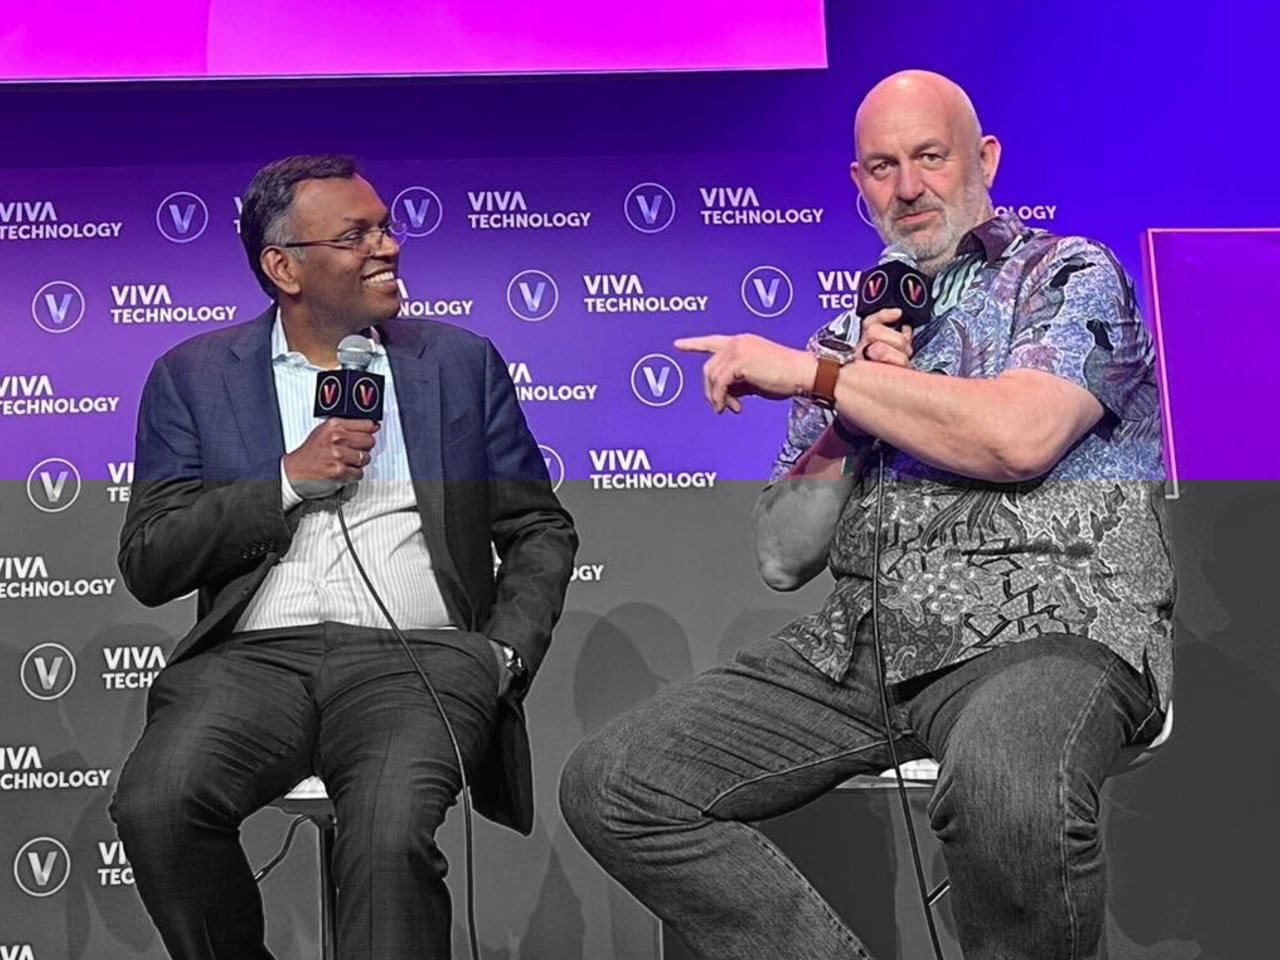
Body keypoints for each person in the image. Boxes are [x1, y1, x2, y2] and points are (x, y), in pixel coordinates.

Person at [559, 70, 1174, 960]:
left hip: (1050, 628)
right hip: (864, 648)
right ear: (859, 186)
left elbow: (1021, 438)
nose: (908, 186)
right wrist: (850, 408)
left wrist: (824, 378)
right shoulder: (851, 336)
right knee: (615, 784)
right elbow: (781, 554)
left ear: (985, 160)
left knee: (1006, 781)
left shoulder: (1068, 275)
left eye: (930, 156)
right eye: (883, 167)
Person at [111, 154, 577, 960]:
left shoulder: (457, 365)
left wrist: (502, 654)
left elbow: (539, 527)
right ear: (283, 267)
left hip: (418, 660)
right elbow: (152, 559)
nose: (386, 247)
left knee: (389, 838)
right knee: (157, 805)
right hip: (251, 663)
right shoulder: (191, 378)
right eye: (356, 234)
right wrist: (287, 481)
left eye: (387, 227)